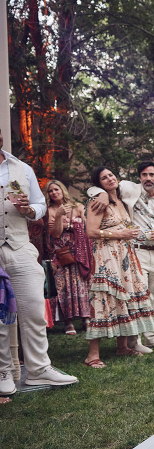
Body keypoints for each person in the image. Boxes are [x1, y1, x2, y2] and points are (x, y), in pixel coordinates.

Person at [0, 127, 79, 394]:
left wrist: (28, 209)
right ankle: (3, 373)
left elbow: (40, 206)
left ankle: (38, 370)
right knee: (0, 316)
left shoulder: (21, 169)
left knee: (34, 308)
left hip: (20, 245)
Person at [88, 161, 154, 351]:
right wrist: (102, 195)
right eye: (144, 175)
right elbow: (97, 186)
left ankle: (152, 337)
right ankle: (134, 342)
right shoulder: (129, 189)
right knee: (135, 296)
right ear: (139, 177)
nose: (148, 178)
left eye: (152, 175)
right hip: (134, 251)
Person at [44, 180, 92, 333]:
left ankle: (86, 318)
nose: (54, 193)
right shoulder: (49, 210)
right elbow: (56, 233)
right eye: (50, 191)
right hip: (60, 253)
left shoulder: (77, 206)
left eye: (56, 189)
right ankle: (68, 322)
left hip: (79, 251)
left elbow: (86, 227)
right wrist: (59, 217)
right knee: (63, 287)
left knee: (82, 285)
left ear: (62, 190)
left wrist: (69, 226)